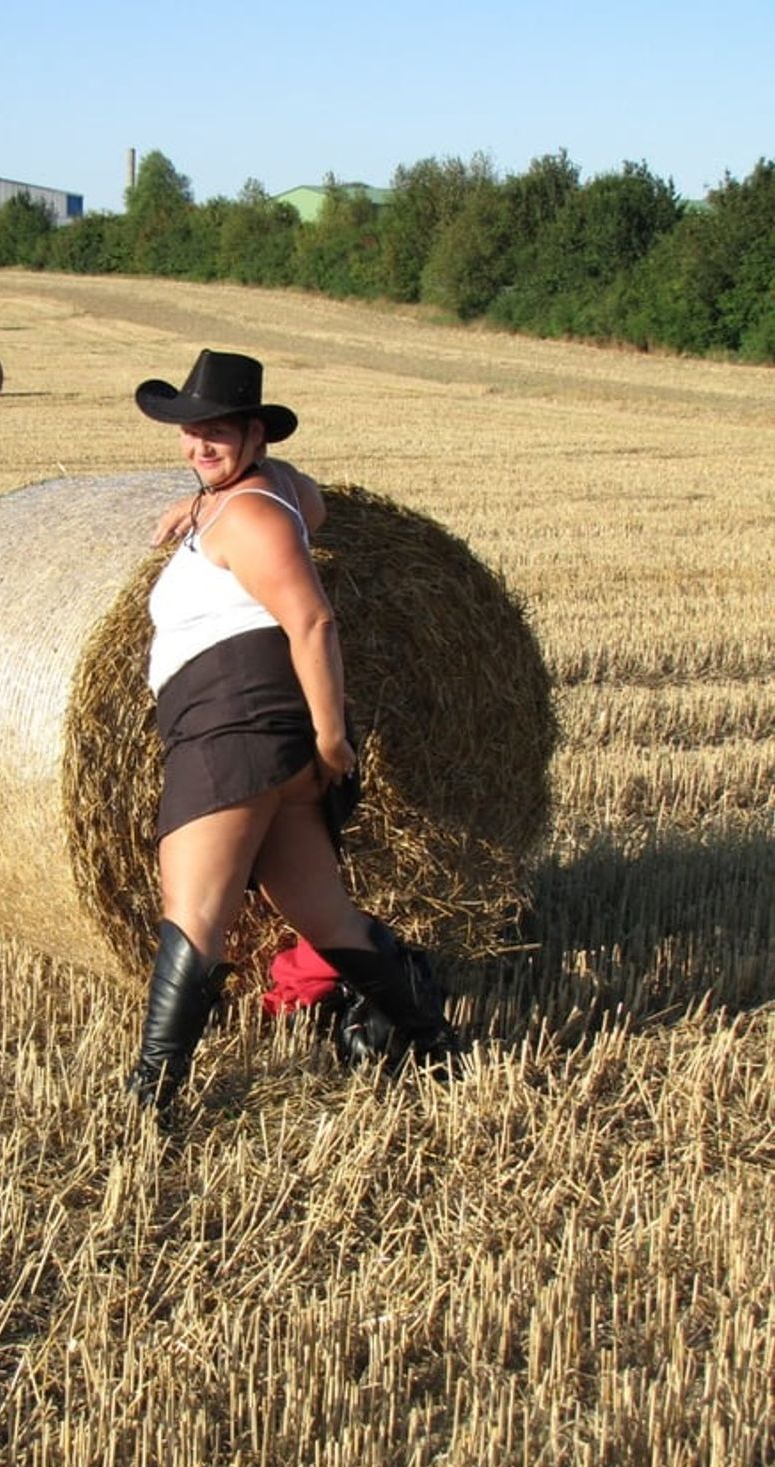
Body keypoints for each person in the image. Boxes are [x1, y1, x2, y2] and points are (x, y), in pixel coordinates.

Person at [128, 348, 459, 1112]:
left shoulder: (246, 514)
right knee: (325, 917)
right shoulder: (254, 496)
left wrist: (333, 738)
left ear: (255, 434)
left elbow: (311, 620)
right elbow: (311, 497)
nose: (199, 445)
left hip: (231, 732)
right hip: (253, 735)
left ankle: (152, 1101)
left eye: (217, 432)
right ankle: (438, 1049)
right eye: (190, 431)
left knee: (195, 921)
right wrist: (209, 495)